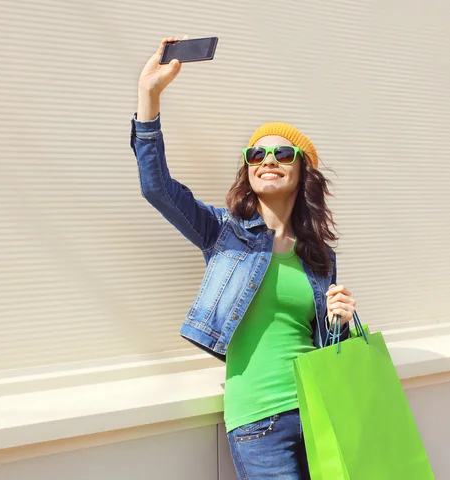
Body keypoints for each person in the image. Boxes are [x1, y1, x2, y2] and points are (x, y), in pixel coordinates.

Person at [131, 37, 358, 480]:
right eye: (257, 153)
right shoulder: (223, 234)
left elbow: (328, 350)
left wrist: (341, 321)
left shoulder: (319, 256)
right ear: (248, 168)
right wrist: (149, 98)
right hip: (259, 421)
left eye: (282, 153)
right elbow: (156, 189)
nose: (268, 160)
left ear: (302, 171)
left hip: (318, 412)